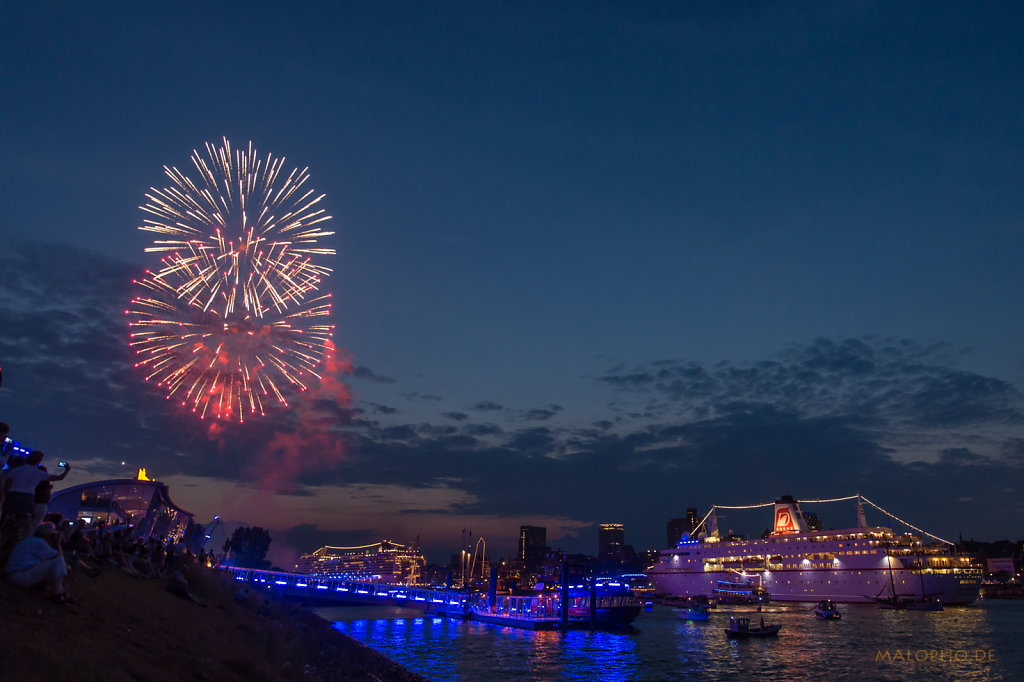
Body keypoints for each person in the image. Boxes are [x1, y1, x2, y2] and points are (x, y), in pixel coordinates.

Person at [5, 521, 73, 604]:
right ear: (47, 535)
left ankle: (61, 591)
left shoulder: (32, 540)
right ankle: (57, 592)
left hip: (17, 574)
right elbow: (59, 557)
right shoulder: (39, 543)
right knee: (58, 561)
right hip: (19, 576)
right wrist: (58, 543)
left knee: (56, 564)